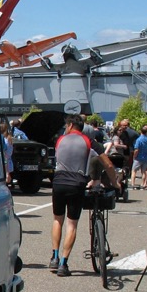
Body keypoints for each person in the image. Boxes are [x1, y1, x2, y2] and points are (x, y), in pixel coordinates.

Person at [49, 114, 119, 277]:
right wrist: (115, 182)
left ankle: (54, 256)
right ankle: (63, 264)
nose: (65, 128)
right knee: (71, 224)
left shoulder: (60, 140)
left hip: (58, 182)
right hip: (77, 183)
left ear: (72, 125)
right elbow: (107, 164)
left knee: (57, 219)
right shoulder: (89, 141)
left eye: (66, 125)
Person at [131, 124, 147, 190]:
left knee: (134, 171)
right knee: (144, 171)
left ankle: (133, 184)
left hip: (138, 157)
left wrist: (134, 156)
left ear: (141, 131)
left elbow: (136, 149)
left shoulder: (138, 140)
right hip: (145, 157)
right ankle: (143, 184)